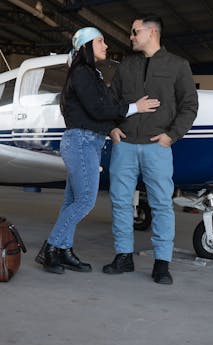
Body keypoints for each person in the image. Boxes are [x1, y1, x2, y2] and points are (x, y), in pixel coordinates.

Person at [35, 27, 160, 274]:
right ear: (86, 46)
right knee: (85, 201)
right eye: (100, 41)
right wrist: (136, 107)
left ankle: (64, 250)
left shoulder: (91, 74)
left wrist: (113, 125)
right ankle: (50, 248)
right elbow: (98, 109)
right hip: (81, 142)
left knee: (72, 201)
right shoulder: (82, 73)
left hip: (87, 141)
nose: (106, 46)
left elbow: (105, 107)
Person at [102, 15, 199, 284]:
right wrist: (112, 127)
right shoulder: (125, 67)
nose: (131, 36)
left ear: (152, 32)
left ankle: (161, 263)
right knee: (120, 203)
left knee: (161, 205)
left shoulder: (178, 66)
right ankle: (123, 256)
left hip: (158, 147)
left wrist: (172, 135)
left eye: (135, 32)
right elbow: (112, 101)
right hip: (125, 146)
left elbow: (190, 105)